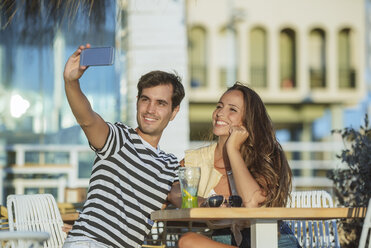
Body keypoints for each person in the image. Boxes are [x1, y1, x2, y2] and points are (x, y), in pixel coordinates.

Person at [62, 44, 185, 248]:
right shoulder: (119, 139)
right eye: (146, 100)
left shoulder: (169, 164)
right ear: (137, 102)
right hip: (91, 243)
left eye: (161, 103)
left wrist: (215, 202)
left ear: (174, 112)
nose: (150, 109)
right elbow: (87, 120)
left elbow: (183, 196)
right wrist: (71, 82)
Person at [176, 83, 301, 248]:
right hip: (223, 239)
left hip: (273, 239)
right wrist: (204, 203)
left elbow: (251, 203)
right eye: (219, 106)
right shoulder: (195, 159)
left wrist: (233, 150)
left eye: (232, 110)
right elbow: (175, 192)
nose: (220, 113)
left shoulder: (267, 155)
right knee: (188, 241)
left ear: (248, 119)